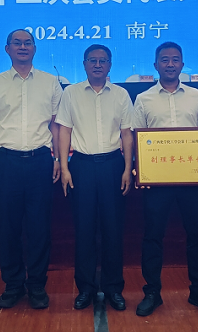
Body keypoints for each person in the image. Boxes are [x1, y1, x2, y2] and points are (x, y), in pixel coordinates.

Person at [133, 41, 198, 318]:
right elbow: (137, 137)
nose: (170, 64)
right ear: (155, 65)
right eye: (165, 59)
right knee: (152, 237)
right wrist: (139, 168)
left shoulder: (197, 96)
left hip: (192, 180)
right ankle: (152, 292)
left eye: (175, 59)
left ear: (182, 65)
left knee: (197, 236)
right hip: (156, 181)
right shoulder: (143, 99)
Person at [0, 29, 63, 310]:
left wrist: (57, 159)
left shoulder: (51, 82)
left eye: (28, 43)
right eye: (17, 43)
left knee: (40, 228)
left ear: (35, 49)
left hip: (40, 161)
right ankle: (13, 285)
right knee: (8, 228)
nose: (23, 47)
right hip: (6, 162)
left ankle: (37, 285)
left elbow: (56, 125)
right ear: (7, 49)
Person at [57, 44, 134, 312]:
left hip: (113, 165)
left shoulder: (121, 94)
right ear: (84, 64)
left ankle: (113, 288)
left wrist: (127, 168)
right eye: (93, 60)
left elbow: (127, 134)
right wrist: (64, 167)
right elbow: (64, 130)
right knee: (84, 229)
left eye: (103, 60)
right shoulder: (71, 93)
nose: (98, 65)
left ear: (110, 65)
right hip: (82, 166)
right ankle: (86, 288)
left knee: (113, 229)